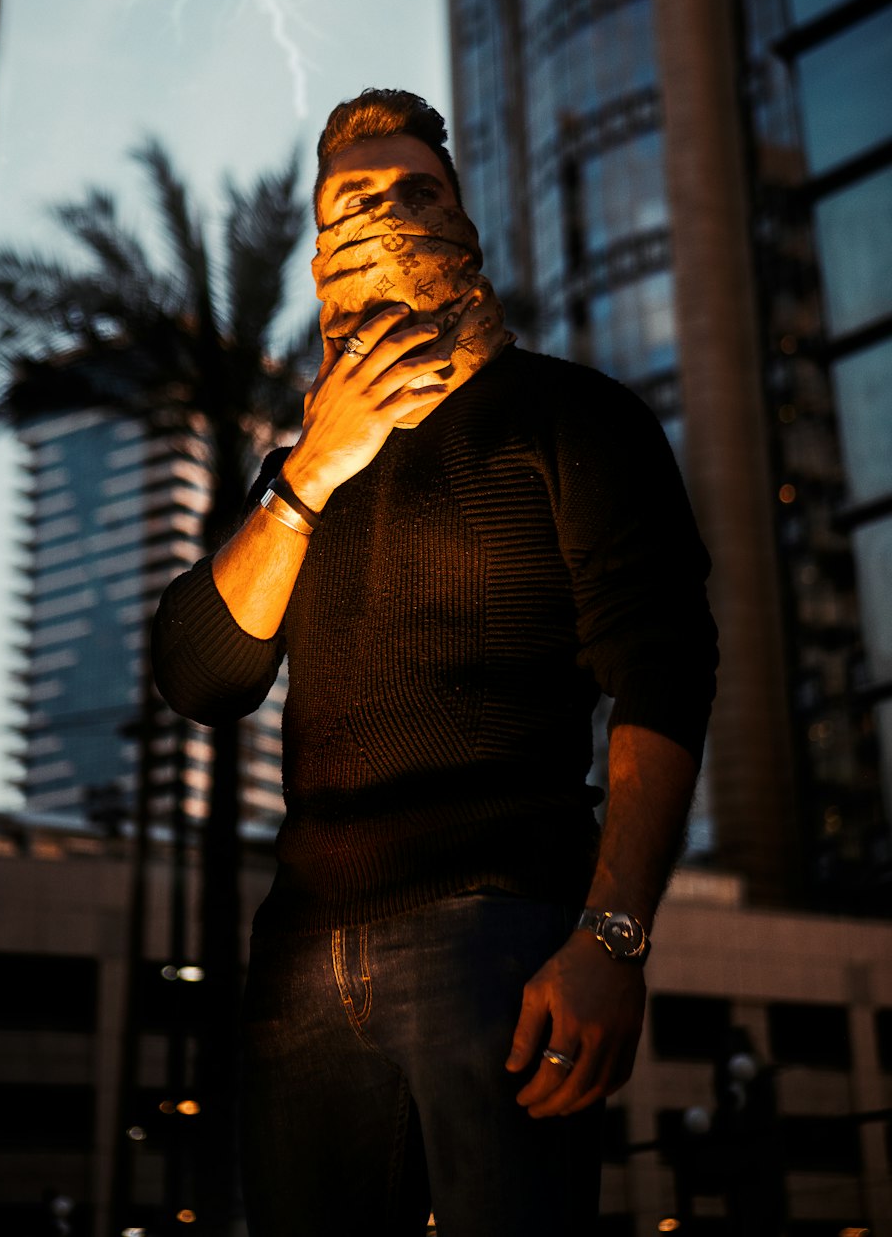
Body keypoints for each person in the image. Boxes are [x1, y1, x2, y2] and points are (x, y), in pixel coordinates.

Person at [152, 88, 718, 1235]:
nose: (384, 218)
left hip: (499, 940)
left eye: (417, 193)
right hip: (300, 959)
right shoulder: (296, 475)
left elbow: (665, 669)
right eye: (351, 203)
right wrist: (315, 471)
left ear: (461, 221)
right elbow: (201, 677)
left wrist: (610, 938)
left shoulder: (575, 418)